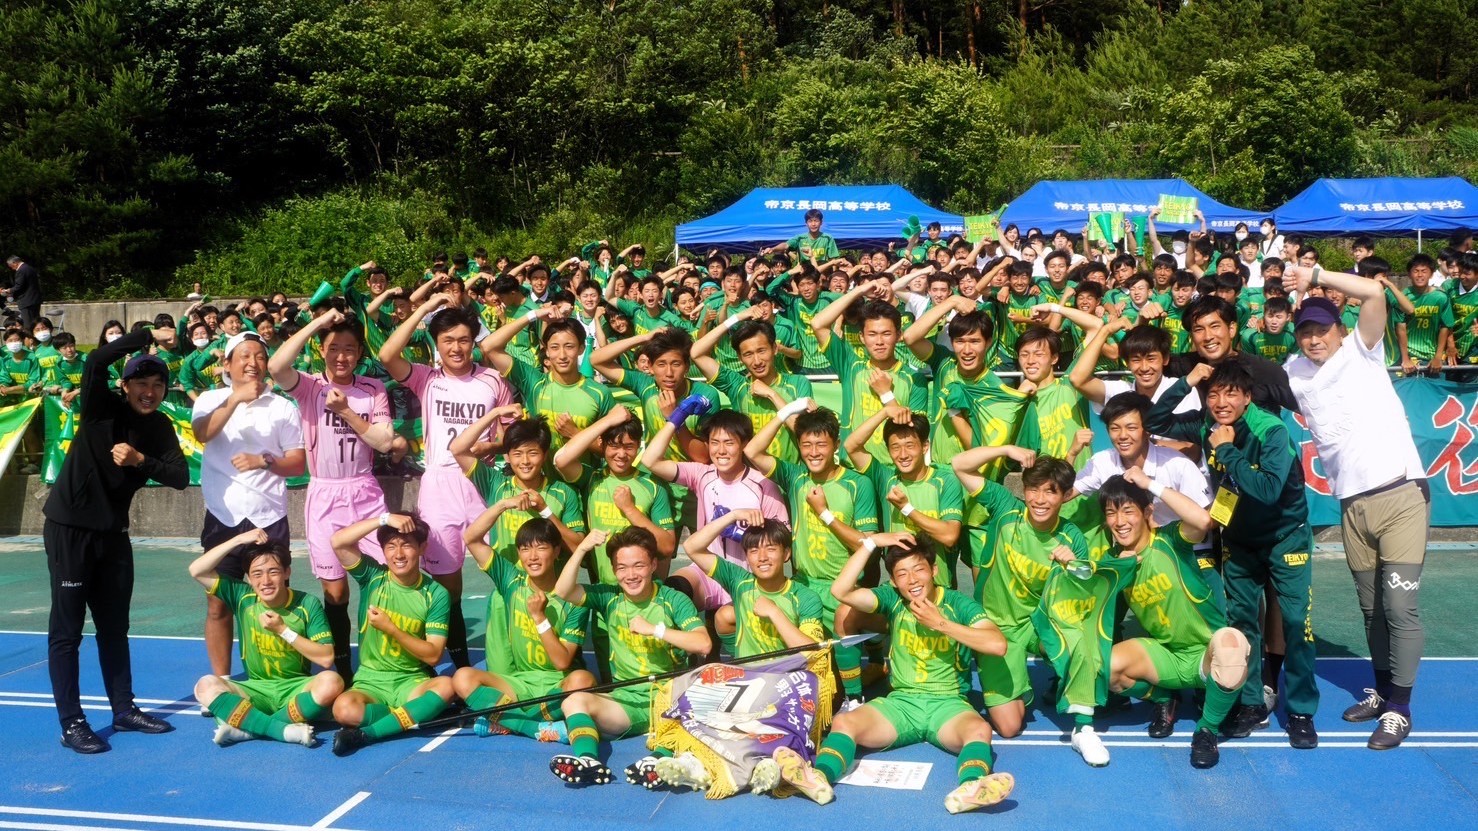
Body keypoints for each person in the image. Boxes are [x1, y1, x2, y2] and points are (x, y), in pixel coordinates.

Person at [1284, 265, 1429, 750]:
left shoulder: (1362, 351)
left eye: (1321, 329)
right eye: (1305, 331)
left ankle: (1400, 710)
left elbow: (1371, 292)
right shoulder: (1295, 374)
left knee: (1398, 606)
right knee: (1371, 611)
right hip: (1353, 506)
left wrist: (1317, 273)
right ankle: (1385, 692)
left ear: (1338, 329)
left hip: (1401, 493)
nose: (1313, 339)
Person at [776, 536, 1017, 815]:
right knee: (845, 722)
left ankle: (971, 788)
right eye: (902, 574)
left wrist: (940, 623)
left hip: (948, 704)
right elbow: (841, 590)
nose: (912, 579)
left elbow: (997, 645)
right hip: (901, 704)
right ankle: (818, 778)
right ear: (893, 581)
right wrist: (872, 542)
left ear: (934, 570)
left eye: (919, 569)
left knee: (979, 730)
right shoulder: (893, 600)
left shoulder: (957, 603)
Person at [1147, 362, 1319, 749]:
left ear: (1246, 397)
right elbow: (1153, 418)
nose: (1221, 402)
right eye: (1213, 394)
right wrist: (1186, 381)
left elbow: (1268, 489)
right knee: (1243, 625)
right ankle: (1251, 703)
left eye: (1230, 394)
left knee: (1295, 623)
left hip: (1284, 538)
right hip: (1239, 539)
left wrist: (1225, 449)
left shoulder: (1271, 431)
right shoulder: (1206, 422)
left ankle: (1301, 711)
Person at [46, 327, 188, 754]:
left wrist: (141, 458)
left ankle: (123, 710)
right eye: (140, 383)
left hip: (114, 535)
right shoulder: (100, 407)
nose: (149, 391)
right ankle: (71, 723)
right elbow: (94, 362)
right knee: (67, 630)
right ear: (124, 386)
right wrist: (145, 334)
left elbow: (180, 477)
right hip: (70, 530)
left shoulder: (160, 426)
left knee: (115, 627)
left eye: (157, 384)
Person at [379, 294, 516, 669]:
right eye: (447, 341)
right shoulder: (427, 378)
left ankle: (516, 654)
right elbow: (388, 356)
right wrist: (423, 310)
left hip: (480, 481)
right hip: (439, 486)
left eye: (464, 340)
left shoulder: (492, 381)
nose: (456, 348)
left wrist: (476, 446)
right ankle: (459, 667)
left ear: (475, 342)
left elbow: (509, 436)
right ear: (436, 345)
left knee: (507, 573)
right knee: (446, 585)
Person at [267, 309, 395, 682]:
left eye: (350, 349)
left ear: (359, 353)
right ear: (321, 350)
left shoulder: (373, 389)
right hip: (324, 494)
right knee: (336, 591)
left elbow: (384, 441)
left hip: (365, 491)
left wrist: (346, 412)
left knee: (379, 581)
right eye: (333, 347)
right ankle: (341, 668)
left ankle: (380, 662)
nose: (342, 355)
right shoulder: (309, 386)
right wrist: (317, 323)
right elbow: (276, 366)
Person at [1097, 473, 1251, 768]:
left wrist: (1150, 484)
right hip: (1166, 656)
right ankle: (1162, 696)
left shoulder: (1170, 540)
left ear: (1147, 513)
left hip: (1208, 656)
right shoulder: (1114, 561)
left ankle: (1207, 729)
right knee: (1102, 665)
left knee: (1231, 642)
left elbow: (1204, 522)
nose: (1119, 521)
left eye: (1128, 510)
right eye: (1111, 513)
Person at [548, 528, 711, 787]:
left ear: (654, 565)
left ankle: (660, 761)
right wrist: (581, 548)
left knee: (695, 700)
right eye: (622, 567)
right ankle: (589, 761)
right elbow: (563, 590)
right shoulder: (609, 597)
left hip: (668, 700)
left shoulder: (672, 599)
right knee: (574, 701)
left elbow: (702, 643)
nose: (630, 575)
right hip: (627, 702)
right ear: (614, 570)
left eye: (639, 565)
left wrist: (655, 630)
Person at [746, 406, 880, 705]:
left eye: (821, 444)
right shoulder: (795, 476)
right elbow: (753, 450)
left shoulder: (858, 484)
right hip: (804, 584)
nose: (813, 452)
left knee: (845, 624)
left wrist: (825, 514)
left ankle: (855, 699)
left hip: (841, 587)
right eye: (806, 445)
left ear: (835, 444)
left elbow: (866, 543)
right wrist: (786, 411)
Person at [192, 331, 307, 680]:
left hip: (268, 518)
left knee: (274, 601)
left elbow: (298, 464)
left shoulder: (282, 406)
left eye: (259, 356)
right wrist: (235, 399)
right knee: (218, 604)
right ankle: (222, 682)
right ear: (227, 364)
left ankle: (279, 677)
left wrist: (265, 461)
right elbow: (202, 432)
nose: (252, 363)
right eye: (243, 356)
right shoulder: (210, 398)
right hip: (223, 519)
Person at [188, 529, 342, 747]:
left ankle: (250, 729)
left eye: (273, 572)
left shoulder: (307, 603)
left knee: (331, 681)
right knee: (205, 686)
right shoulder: (242, 597)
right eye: (257, 574)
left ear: (287, 572)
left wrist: (282, 630)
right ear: (249, 579)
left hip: (294, 688)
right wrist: (239, 539)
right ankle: (283, 730)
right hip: (256, 689)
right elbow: (196, 570)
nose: (266, 581)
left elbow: (326, 658)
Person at [453, 514, 595, 742]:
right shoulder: (511, 581)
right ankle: (535, 728)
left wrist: (540, 618)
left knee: (583, 679)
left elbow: (562, 662)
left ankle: (504, 721)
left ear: (557, 551)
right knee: (462, 677)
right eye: (525, 549)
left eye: (541, 548)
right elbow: (471, 538)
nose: (533, 556)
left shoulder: (575, 598)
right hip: (520, 683)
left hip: (557, 683)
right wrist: (503, 505)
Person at [328, 513, 454, 757]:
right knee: (343, 709)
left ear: (422, 548)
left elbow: (434, 656)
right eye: (391, 546)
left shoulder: (435, 594)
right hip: (371, 681)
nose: (398, 554)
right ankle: (412, 715)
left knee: (446, 686)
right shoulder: (372, 577)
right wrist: (383, 519)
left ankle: (370, 733)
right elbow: (338, 542)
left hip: (411, 681)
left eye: (406, 545)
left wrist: (392, 629)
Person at [5, 255, 42, 329]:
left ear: (14, 262)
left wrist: (8, 290)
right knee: (36, 322)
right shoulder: (30, 268)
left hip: (26, 301)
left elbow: (19, 286)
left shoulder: (21, 270)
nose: (12, 268)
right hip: (35, 300)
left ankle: (30, 339)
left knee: (28, 324)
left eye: (11, 266)